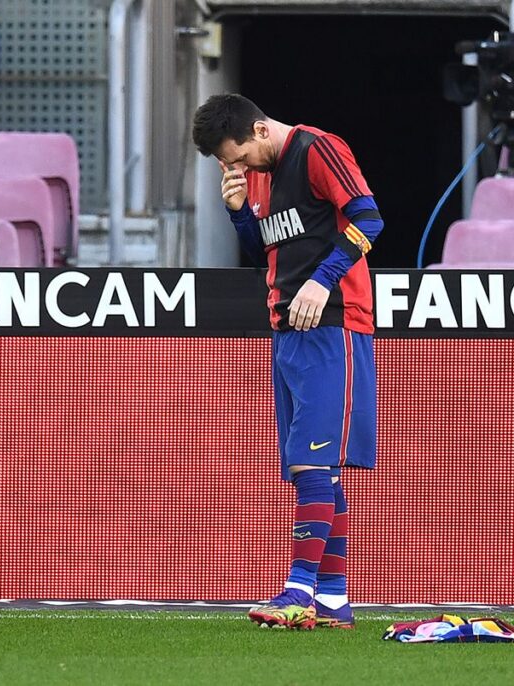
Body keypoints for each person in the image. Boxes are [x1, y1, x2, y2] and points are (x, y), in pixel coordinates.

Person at [192, 94, 384, 630]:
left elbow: (369, 220)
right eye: (226, 165)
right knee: (314, 472)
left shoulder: (317, 148)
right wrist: (236, 216)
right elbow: (267, 252)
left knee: (310, 463)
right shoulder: (255, 178)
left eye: (238, 158)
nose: (235, 169)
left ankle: (297, 589)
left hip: (334, 323)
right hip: (287, 330)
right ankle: (333, 601)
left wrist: (323, 283)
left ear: (259, 129)